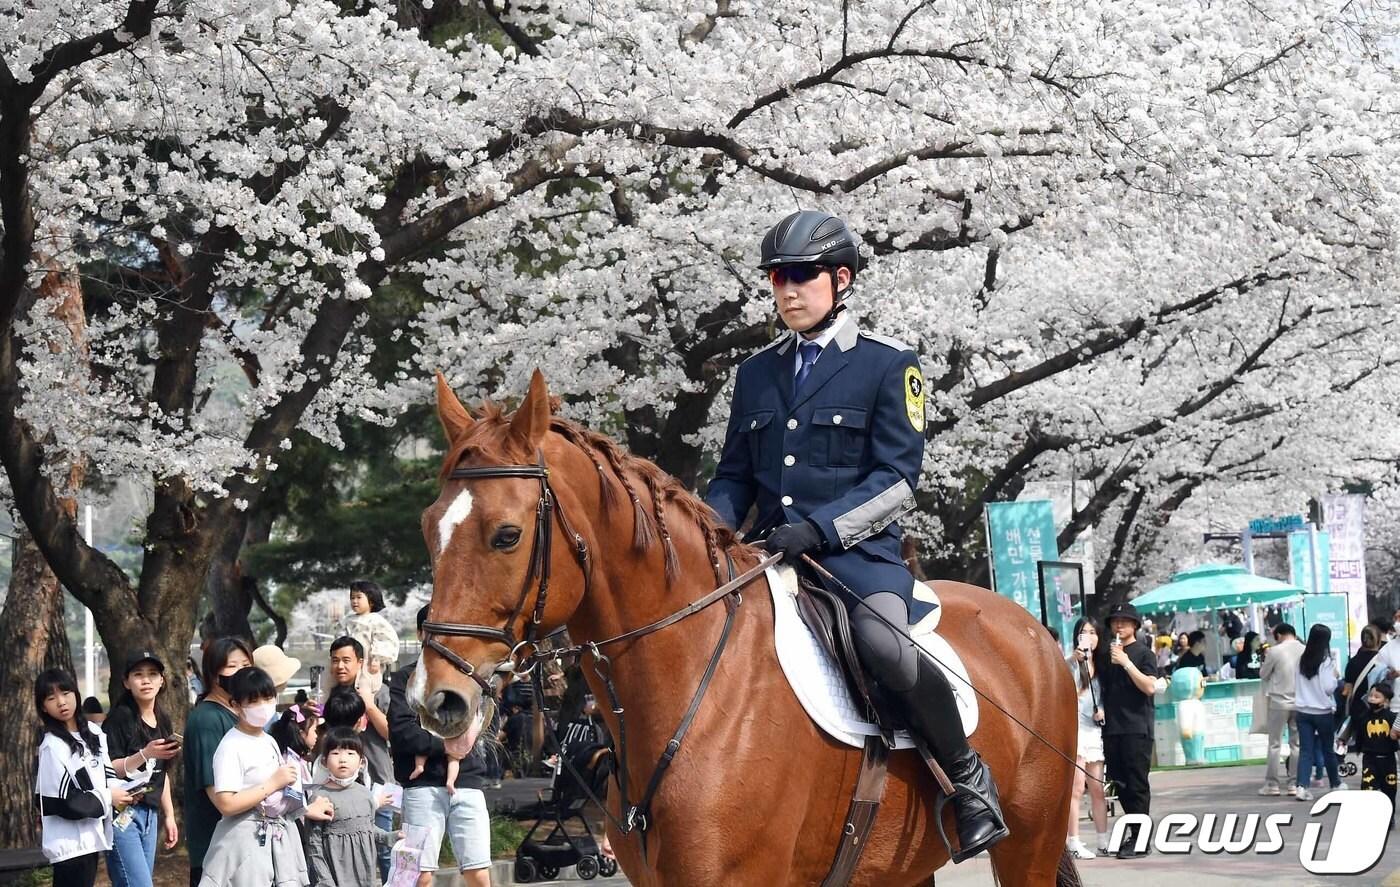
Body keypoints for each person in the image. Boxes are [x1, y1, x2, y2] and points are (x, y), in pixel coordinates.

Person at [703, 209, 1005, 860]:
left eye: (800, 275)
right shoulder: (755, 373)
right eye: (777, 276)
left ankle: (968, 777)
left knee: (885, 646)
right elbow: (734, 477)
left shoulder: (889, 364)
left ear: (840, 279)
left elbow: (898, 480)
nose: (785, 288)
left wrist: (816, 529)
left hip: (855, 560)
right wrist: (703, 532)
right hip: (768, 556)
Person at [389, 606, 492, 887]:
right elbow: (402, 734)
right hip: (420, 787)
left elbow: (481, 720)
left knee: (479, 874)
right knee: (416, 875)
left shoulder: (471, 678)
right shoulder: (403, 679)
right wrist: (448, 747)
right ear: (421, 633)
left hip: (468, 785)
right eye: (432, 630)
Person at [198, 667, 310, 887]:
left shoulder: (267, 739)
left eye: (268, 698)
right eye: (253, 701)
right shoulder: (231, 747)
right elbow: (226, 804)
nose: (262, 706)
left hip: (277, 838)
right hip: (245, 841)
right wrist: (272, 783)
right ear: (236, 705)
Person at [34, 668, 135, 887]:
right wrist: (108, 797)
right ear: (43, 706)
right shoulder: (52, 747)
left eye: (66, 693)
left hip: (92, 839)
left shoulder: (94, 733)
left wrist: (127, 793)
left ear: (76, 694)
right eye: (52, 698)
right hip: (69, 846)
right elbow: (62, 801)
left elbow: (107, 775)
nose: (62, 702)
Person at [102, 651, 182, 887]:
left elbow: (162, 771)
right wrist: (145, 753)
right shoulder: (119, 718)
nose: (146, 680)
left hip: (150, 815)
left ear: (162, 680)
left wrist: (169, 816)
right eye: (138, 674)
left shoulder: (163, 719)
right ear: (126, 682)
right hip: (121, 813)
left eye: (152, 674)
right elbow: (111, 769)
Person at [184, 637, 253, 886]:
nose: (242, 672)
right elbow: (222, 799)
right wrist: (273, 785)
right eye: (232, 666)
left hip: (242, 849)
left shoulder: (239, 714)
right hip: (215, 854)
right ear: (214, 674)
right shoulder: (207, 720)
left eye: (246, 664)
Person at [327, 635, 396, 881]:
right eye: (335, 661)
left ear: (360, 661)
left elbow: (392, 733)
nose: (340, 666)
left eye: (346, 660)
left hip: (379, 783)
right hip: (341, 788)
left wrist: (368, 704)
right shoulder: (329, 695)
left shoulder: (380, 691)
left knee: (385, 849)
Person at [1096, 602, 1159, 859]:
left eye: (1125, 621)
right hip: (1112, 729)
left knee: (1137, 785)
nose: (1119, 625)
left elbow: (1150, 687)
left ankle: (1141, 839)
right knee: (1120, 784)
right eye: (1115, 621)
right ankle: (1134, 833)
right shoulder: (1106, 655)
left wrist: (1125, 662)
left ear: (1135, 624)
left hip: (1137, 728)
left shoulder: (1144, 654)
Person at [306, 727, 397, 887]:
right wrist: (325, 881)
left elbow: (367, 829)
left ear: (361, 762)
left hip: (365, 875)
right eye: (335, 753)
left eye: (350, 753)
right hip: (335, 877)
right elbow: (314, 845)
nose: (343, 759)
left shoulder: (365, 794)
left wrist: (391, 837)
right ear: (324, 761)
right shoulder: (320, 798)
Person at [1065, 619, 1109, 859]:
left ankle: (1103, 840)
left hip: (1094, 730)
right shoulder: (1071, 663)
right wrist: (1074, 660)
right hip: (1075, 730)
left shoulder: (1101, 666)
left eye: (1093, 632)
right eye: (1083, 632)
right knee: (1076, 788)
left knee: (1097, 788)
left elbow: (1104, 697)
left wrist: (1103, 711)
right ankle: (1074, 841)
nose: (1088, 637)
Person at [1292, 624, 1342, 801]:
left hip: (1302, 711)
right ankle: (1335, 783)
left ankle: (1301, 786)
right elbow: (1329, 687)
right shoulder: (1326, 662)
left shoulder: (1300, 660)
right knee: (1328, 749)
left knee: (1306, 751)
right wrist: (1335, 679)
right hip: (1322, 711)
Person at [1258, 623, 1305, 796]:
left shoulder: (1275, 651)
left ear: (1278, 635)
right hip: (1300, 702)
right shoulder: (1304, 649)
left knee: (1275, 744)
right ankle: (1294, 783)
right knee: (1297, 744)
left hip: (1278, 702)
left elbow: (1263, 674)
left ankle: (1272, 784)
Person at [338, 579, 400, 694]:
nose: (354, 601)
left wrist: (377, 658)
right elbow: (340, 638)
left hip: (368, 663)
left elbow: (384, 640)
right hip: (348, 662)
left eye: (358, 597)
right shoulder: (347, 621)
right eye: (352, 598)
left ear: (371, 601)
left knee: (365, 689)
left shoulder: (376, 621)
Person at [1357, 681, 1398, 826]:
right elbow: (1359, 734)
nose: (1372, 699)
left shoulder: (1392, 717)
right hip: (1369, 758)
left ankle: (1389, 816)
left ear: (1386, 701)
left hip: (1388, 759)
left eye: (1377, 697)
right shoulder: (1364, 717)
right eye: (1371, 696)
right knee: (1368, 787)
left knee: (1389, 789)